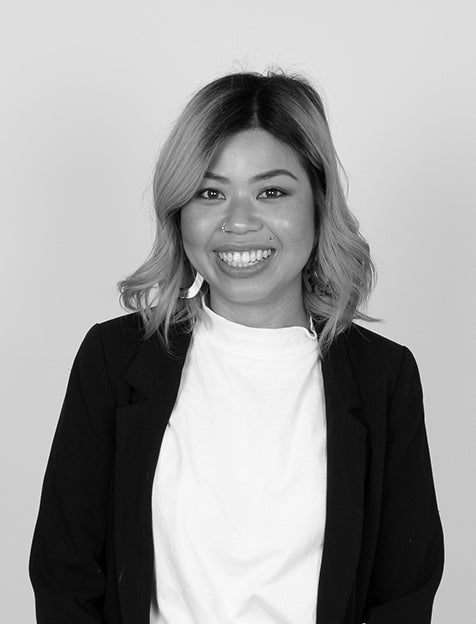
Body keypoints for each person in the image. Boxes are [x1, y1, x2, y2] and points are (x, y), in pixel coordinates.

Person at [29, 69, 444, 624]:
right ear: (180, 212)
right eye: (210, 193)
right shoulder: (115, 357)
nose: (239, 222)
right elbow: (66, 579)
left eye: (271, 192)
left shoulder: (383, 375)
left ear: (318, 203)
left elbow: (402, 594)